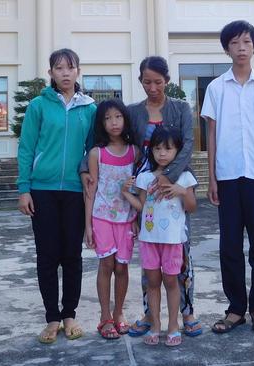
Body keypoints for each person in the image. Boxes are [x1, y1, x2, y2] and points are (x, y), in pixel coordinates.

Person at [80, 56, 202, 337]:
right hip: (144, 190)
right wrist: (85, 168)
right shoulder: (133, 112)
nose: (153, 87)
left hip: (174, 187)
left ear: (167, 81)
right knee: (150, 254)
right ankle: (150, 313)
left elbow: (187, 146)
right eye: (147, 82)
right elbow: (105, 143)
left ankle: (187, 311)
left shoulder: (181, 108)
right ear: (140, 81)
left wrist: (168, 177)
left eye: (158, 82)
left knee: (180, 251)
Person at [200, 20, 254, 334]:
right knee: (230, 247)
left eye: (246, 42)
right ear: (226, 49)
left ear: (253, 46)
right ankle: (236, 309)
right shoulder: (216, 88)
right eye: (235, 43)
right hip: (228, 177)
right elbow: (211, 135)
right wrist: (211, 178)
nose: (241, 48)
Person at [17, 48, 96, 344]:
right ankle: (52, 318)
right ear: (50, 73)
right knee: (47, 256)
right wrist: (24, 188)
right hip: (43, 190)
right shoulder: (38, 106)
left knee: (72, 256)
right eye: (58, 68)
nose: (65, 73)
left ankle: (70, 314)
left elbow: (92, 152)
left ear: (78, 71)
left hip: (75, 192)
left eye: (70, 67)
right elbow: (26, 148)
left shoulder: (89, 108)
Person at [121, 126, 197, 347]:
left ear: (177, 151)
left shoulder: (184, 177)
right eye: (157, 148)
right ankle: (155, 325)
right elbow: (142, 207)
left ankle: (173, 326)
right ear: (151, 151)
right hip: (149, 240)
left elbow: (191, 207)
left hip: (173, 241)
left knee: (172, 282)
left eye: (168, 148)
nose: (162, 153)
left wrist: (181, 191)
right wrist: (126, 193)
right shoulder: (145, 178)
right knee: (152, 283)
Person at [84, 99, 139, 340]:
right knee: (106, 265)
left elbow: (139, 189)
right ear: (101, 123)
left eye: (117, 117)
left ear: (125, 119)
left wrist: (137, 217)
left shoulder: (135, 152)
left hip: (127, 218)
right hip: (102, 217)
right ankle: (105, 317)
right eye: (107, 118)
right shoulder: (97, 153)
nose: (113, 122)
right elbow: (91, 190)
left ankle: (119, 314)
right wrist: (87, 225)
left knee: (122, 266)